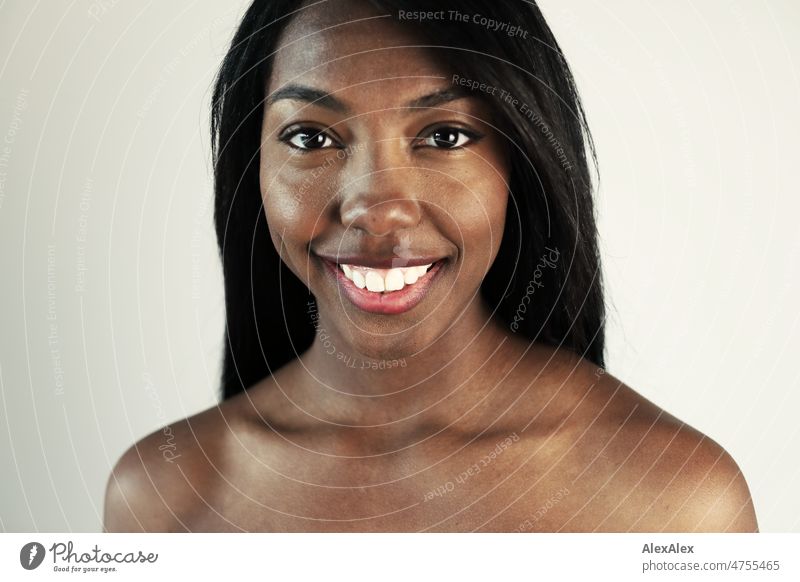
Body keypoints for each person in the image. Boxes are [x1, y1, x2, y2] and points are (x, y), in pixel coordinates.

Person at [104, 0, 757, 532]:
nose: (378, 209)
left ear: (518, 165)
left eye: (444, 136)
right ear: (254, 169)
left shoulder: (681, 503)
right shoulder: (160, 497)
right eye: (311, 137)